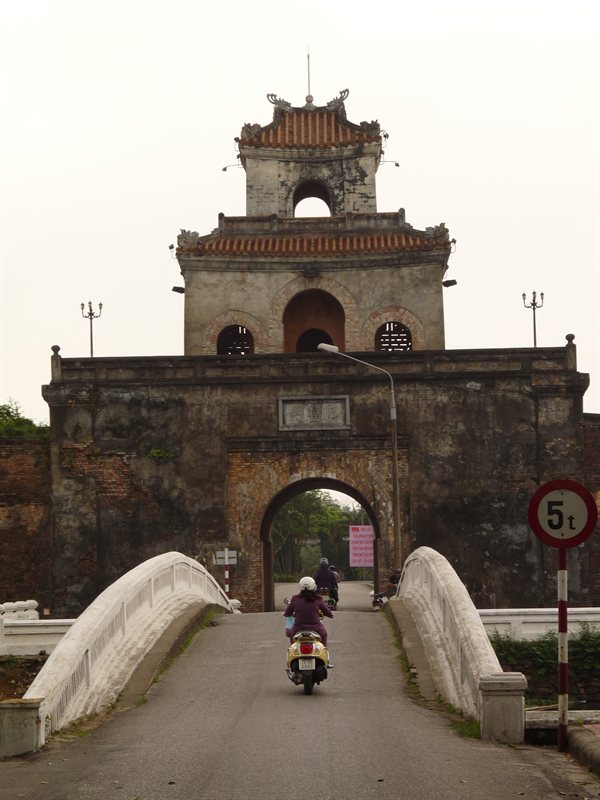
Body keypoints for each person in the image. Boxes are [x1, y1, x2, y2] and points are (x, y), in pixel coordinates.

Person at [284, 576, 334, 647]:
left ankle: (294, 652)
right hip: (316, 629)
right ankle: (324, 653)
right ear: (314, 586)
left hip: (298, 628)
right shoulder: (318, 599)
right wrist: (331, 614)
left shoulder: (295, 598)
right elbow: (328, 613)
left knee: (292, 639)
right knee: (324, 635)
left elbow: (287, 613)